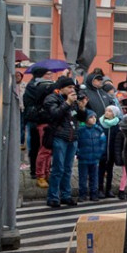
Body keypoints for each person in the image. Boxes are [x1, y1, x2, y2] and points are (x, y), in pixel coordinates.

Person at [41, 76, 87, 208]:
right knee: (58, 169)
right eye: (69, 87)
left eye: (73, 87)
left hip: (72, 137)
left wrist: (82, 108)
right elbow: (54, 115)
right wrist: (67, 102)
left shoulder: (73, 100)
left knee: (68, 169)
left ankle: (66, 195)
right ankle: (53, 197)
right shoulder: (52, 99)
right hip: (59, 136)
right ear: (61, 88)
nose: (72, 90)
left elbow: (80, 118)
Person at [22, 66, 56, 184]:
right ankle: (36, 172)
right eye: (48, 74)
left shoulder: (40, 85)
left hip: (41, 119)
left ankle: (43, 172)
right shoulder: (34, 86)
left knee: (44, 147)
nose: (50, 76)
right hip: (36, 120)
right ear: (40, 75)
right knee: (37, 147)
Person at [75, 109, 105, 201]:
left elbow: (102, 142)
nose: (94, 119)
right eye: (91, 117)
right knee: (83, 177)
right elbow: (76, 142)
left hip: (95, 158)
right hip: (83, 158)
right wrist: (78, 152)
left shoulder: (98, 129)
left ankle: (94, 193)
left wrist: (99, 152)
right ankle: (82, 194)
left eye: (95, 117)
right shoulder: (80, 130)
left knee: (94, 176)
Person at [98, 104, 122, 199]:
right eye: (106, 110)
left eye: (110, 111)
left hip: (112, 151)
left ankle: (108, 189)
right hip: (102, 151)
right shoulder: (99, 122)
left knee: (110, 171)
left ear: (114, 114)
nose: (107, 112)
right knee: (100, 170)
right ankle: (100, 189)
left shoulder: (117, 124)